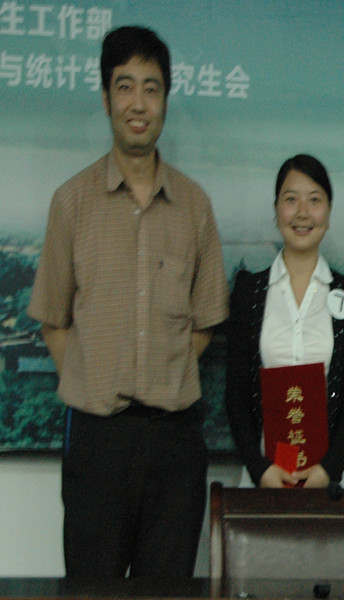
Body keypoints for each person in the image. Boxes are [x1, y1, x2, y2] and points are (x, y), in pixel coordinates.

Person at [27, 26, 229, 578]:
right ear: (105, 98)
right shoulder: (71, 202)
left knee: (166, 589)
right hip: (98, 440)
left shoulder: (194, 205)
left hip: (174, 440)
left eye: (151, 88)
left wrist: (159, 375)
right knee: (91, 588)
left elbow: (205, 322)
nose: (138, 104)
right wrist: (94, 381)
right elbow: (54, 320)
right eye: (125, 87)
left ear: (165, 100)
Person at [225, 154, 344, 489]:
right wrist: (259, 469)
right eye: (291, 200)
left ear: (328, 211)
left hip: (331, 480)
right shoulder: (249, 290)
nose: (303, 212)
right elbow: (235, 394)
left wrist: (328, 470)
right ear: (276, 209)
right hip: (264, 476)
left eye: (314, 200)